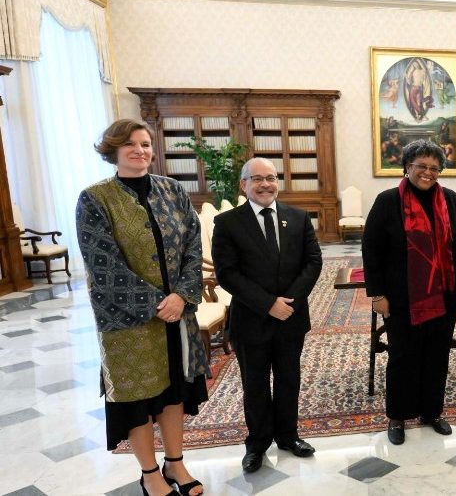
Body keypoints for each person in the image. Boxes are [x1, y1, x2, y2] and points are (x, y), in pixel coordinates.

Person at [77, 119, 207, 496]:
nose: (141, 150)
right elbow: (102, 263)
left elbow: (193, 245)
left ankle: (176, 463)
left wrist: (182, 295)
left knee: (174, 393)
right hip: (127, 320)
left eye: (146, 144)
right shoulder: (95, 198)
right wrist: (155, 303)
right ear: (113, 150)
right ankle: (150, 473)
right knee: (138, 398)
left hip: (178, 313)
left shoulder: (173, 190)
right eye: (131, 144)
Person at [212, 157, 323, 473]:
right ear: (244, 184)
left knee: (289, 379)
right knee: (256, 385)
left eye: (271, 178)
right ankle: (257, 443)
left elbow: (313, 262)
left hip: (291, 316)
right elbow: (227, 274)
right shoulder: (228, 223)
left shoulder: (298, 218)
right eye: (257, 178)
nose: (265, 184)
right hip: (251, 319)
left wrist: (289, 301)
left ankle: (289, 436)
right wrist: (267, 303)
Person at [362, 140, 456, 445]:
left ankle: (432, 412)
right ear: (407, 167)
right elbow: (371, 250)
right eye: (421, 166)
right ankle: (397, 416)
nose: (428, 172)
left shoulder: (450, 199)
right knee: (403, 356)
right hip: (401, 296)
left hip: (444, 293)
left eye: (434, 168)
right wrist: (377, 294)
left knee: (437, 354)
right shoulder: (388, 201)